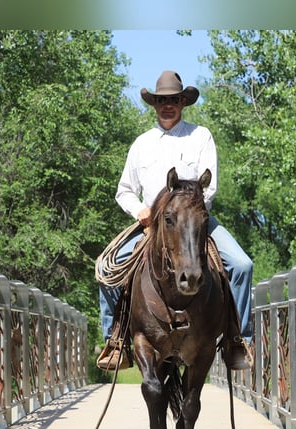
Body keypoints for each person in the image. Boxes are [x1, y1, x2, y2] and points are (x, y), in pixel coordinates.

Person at [97, 70, 253, 371]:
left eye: (173, 100)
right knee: (107, 270)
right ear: (154, 104)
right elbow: (124, 191)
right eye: (161, 101)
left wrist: (188, 214)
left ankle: (238, 338)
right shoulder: (141, 144)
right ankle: (115, 340)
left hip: (194, 222)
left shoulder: (201, 135)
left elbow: (211, 186)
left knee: (242, 265)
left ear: (183, 102)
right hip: (151, 225)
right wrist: (140, 211)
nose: (167, 106)